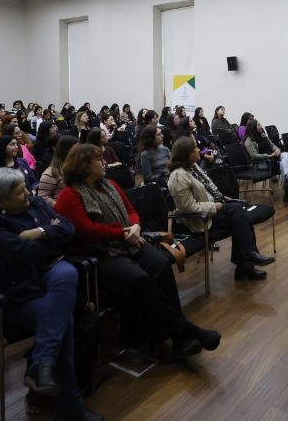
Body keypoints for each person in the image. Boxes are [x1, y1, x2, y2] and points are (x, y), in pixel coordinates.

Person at [54, 144, 221, 359]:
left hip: (129, 241)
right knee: (139, 279)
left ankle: (175, 337)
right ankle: (187, 332)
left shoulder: (110, 185)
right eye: (99, 160)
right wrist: (122, 233)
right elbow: (87, 231)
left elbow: (132, 211)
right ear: (84, 165)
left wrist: (135, 227)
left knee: (161, 264)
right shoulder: (70, 195)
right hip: (99, 254)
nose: (104, 163)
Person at [0, 169, 104, 421]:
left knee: (68, 273)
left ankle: (42, 365)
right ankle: (70, 405)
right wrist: (52, 237)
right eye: (20, 192)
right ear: (1, 200)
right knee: (64, 321)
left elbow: (68, 228)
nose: (28, 193)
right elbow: (20, 253)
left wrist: (41, 232)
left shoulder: (37, 203)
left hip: (51, 277)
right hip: (17, 293)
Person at [167, 137, 274, 280]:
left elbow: (208, 191)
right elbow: (188, 208)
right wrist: (214, 206)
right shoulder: (178, 176)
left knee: (239, 215)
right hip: (197, 220)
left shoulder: (194, 167)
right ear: (186, 153)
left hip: (212, 210)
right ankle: (246, 264)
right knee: (240, 216)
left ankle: (247, 262)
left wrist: (222, 198)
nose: (199, 150)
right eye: (195, 148)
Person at [244, 118, 288, 200]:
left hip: (273, 157)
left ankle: (287, 179)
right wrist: (269, 156)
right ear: (254, 128)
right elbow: (254, 155)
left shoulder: (263, 135)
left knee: (286, 155)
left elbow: (272, 145)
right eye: (258, 125)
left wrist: (277, 150)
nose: (261, 126)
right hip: (262, 163)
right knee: (284, 164)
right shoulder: (249, 141)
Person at [37, 136, 78, 205]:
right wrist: (59, 207)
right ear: (66, 151)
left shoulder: (77, 168)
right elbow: (42, 197)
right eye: (76, 150)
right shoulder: (51, 173)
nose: (79, 153)